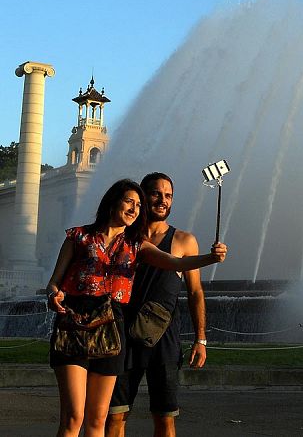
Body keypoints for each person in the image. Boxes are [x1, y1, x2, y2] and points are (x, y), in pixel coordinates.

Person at [46, 179, 227, 437]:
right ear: (112, 201)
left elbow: (175, 263)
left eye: (138, 205)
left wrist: (211, 258)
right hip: (75, 326)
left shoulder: (135, 245)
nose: (134, 208)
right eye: (130, 201)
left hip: (114, 331)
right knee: (76, 417)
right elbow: (54, 282)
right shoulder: (78, 237)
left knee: (99, 420)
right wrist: (54, 294)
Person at [106, 172, 208, 437]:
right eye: (156, 194)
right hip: (122, 337)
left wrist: (201, 339)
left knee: (164, 419)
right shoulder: (123, 237)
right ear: (142, 196)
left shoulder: (184, 241)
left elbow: (195, 292)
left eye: (168, 195)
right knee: (115, 415)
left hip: (164, 341)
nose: (163, 200)